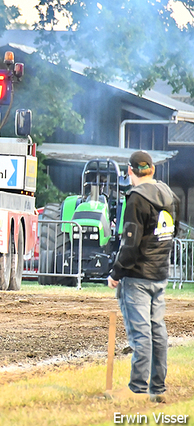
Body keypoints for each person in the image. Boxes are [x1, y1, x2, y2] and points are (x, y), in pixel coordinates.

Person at [107, 150, 180, 403]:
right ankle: (157, 389)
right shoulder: (170, 196)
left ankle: (137, 388)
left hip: (137, 276)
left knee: (141, 335)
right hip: (159, 274)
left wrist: (116, 273)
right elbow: (173, 232)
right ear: (152, 170)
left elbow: (130, 245)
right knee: (157, 331)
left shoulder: (136, 199)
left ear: (130, 172)